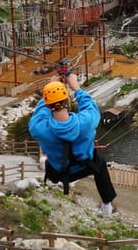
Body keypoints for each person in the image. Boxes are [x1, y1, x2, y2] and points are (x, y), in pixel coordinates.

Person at [29, 72, 117, 216]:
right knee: (100, 164)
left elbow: (39, 114)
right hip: (84, 166)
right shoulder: (86, 122)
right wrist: (76, 87)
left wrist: (50, 88)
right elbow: (90, 106)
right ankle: (107, 203)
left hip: (59, 172)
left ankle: (48, 172)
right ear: (68, 101)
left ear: (47, 104)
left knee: (48, 153)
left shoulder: (39, 128)